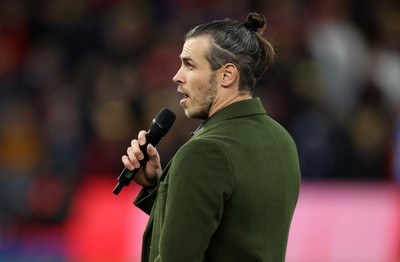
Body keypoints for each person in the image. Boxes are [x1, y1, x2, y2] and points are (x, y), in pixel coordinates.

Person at [122, 12, 301, 262]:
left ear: (227, 75)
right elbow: (228, 234)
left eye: (190, 65)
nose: (177, 76)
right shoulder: (282, 139)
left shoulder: (204, 151)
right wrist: (158, 187)